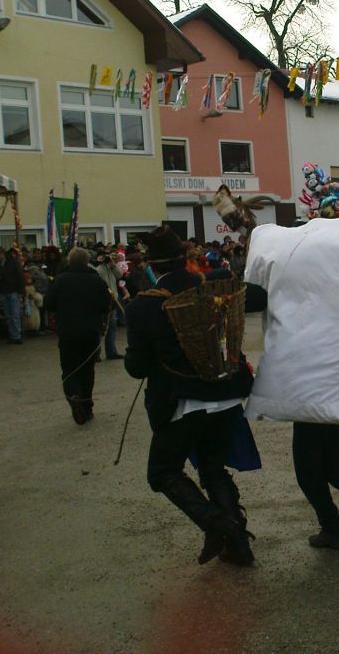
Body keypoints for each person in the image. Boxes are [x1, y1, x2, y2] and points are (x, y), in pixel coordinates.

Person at [124, 226, 259, 566]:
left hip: (184, 402)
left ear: (151, 265)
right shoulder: (212, 287)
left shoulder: (144, 306)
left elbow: (137, 368)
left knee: (162, 472)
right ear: (186, 258)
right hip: (225, 394)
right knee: (213, 468)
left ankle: (219, 525)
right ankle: (238, 546)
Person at [45, 248, 112, 425]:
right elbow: (107, 305)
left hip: (67, 332)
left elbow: (48, 303)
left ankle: (73, 397)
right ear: (86, 261)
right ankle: (86, 406)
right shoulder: (96, 280)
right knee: (87, 369)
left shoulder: (60, 280)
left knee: (69, 369)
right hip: (90, 332)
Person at [0, 247, 25, 344]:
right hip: (3, 291)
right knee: (9, 315)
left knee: (15, 314)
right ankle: (13, 335)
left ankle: (17, 336)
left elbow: (20, 275)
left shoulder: (13, 262)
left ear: (1, 254)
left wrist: (21, 290)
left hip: (13, 290)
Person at [94, 250, 124, 360]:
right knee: (100, 328)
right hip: (103, 302)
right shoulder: (98, 270)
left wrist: (113, 264)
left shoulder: (111, 269)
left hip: (113, 301)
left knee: (112, 327)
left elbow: (120, 275)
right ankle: (96, 353)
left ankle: (111, 351)